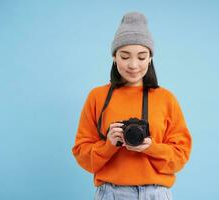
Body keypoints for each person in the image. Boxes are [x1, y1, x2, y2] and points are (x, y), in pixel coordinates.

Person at [72, 11, 192, 200]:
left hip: (156, 193)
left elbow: (181, 156)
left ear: (151, 58)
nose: (133, 65)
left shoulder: (166, 98)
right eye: (125, 56)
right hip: (111, 193)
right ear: (114, 56)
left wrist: (150, 147)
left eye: (142, 57)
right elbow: (81, 155)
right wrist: (109, 145)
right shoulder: (97, 97)